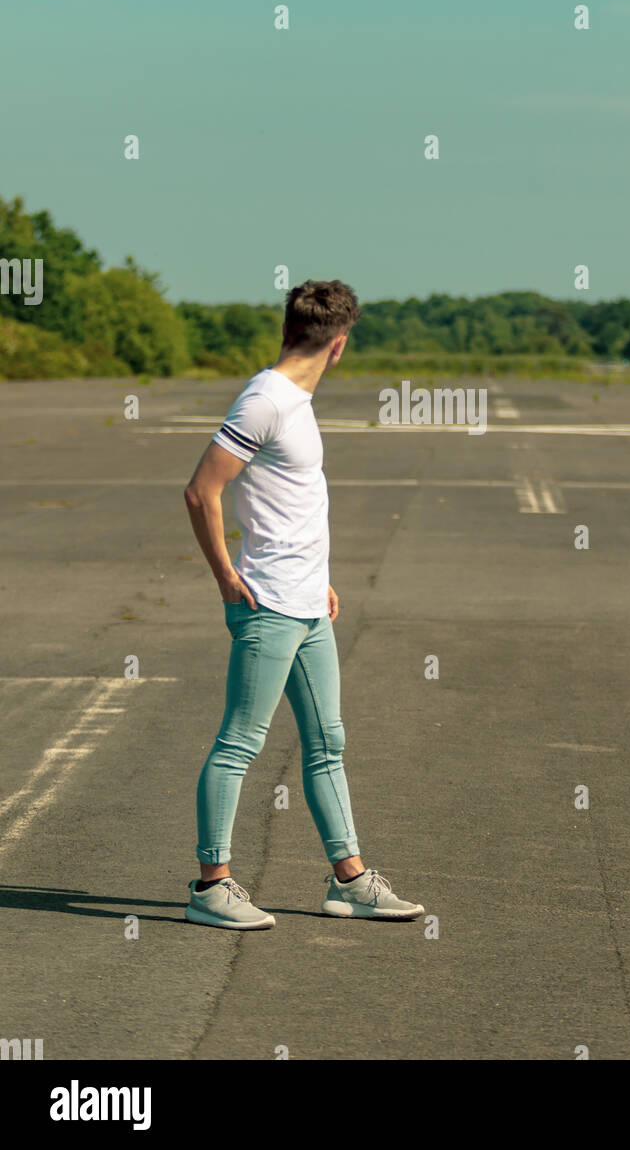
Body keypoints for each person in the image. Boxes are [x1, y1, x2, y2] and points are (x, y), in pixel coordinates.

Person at [182, 279, 424, 929]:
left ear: (288, 327)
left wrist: (320, 576)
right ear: (338, 345)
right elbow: (201, 491)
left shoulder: (292, 399)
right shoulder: (266, 400)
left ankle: (349, 880)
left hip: (308, 603)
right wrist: (227, 580)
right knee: (239, 743)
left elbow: (288, 506)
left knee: (326, 743)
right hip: (267, 606)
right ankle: (212, 887)